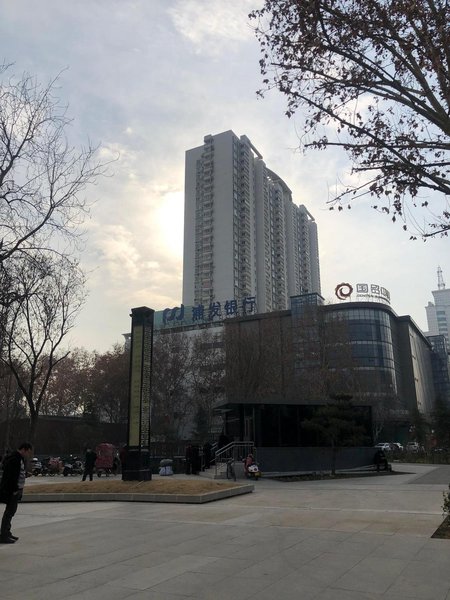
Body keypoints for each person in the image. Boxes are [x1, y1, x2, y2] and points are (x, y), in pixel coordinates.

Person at [0, 442, 33, 543]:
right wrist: (14, 490)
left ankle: (7, 532)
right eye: (28, 452)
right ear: (23, 449)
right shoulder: (14, 459)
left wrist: (25, 474)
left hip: (16, 490)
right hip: (12, 491)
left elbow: (17, 473)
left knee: (11, 512)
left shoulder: (19, 459)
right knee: (9, 512)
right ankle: (4, 535)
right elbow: (11, 476)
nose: (28, 454)